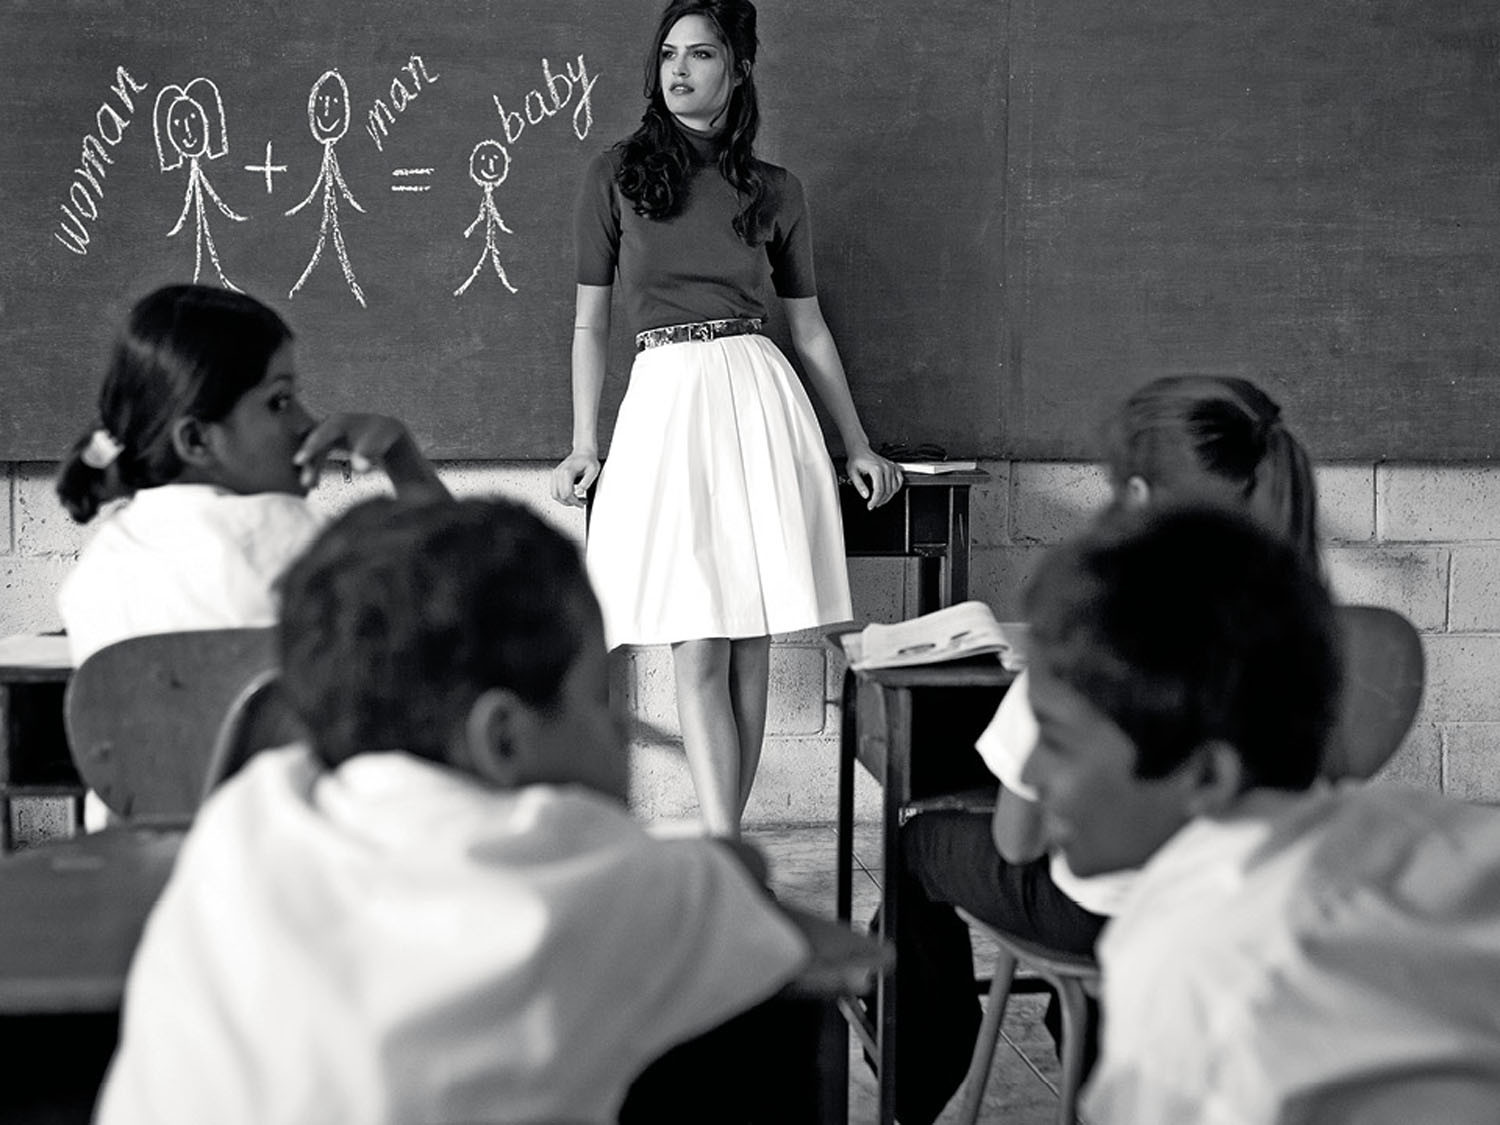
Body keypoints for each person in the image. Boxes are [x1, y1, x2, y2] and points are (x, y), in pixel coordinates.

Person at [94, 497, 860, 1125]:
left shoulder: (249, 813)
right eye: (601, 700)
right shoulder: (574, 872)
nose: (624, 730)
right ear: (503, 739)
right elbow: (738, 872)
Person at [888, 375, 1320, 1124]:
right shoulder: (1313, 626)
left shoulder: (1095, 624)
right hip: (1238, 911)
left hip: (1102, 909)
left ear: (1140, 497)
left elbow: (1016, 842)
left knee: (916, 844)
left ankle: (914, 1086)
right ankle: (1085, 1040)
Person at [1023, 503, 1500, 1124]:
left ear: (1207, 776)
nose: (1029, 773)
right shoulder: (1430, 832)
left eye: (1055, 740)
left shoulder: (1194, 972)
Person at [550, 0, 902, 838]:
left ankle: (722, 849)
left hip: (755, 398)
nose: (678, 69)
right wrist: (583, 442)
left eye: (701, 54)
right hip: (665, 405)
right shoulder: (615, 174)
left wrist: (856, 442)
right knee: (696, 636)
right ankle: (726, 856)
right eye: (669, 53)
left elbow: (808, 328)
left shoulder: (776, 190)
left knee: (750, 641)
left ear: (739, 69)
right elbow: (590, 324)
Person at [55, 283, 449, 665]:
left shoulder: (93, 578)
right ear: (196, 440)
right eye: (279, 402)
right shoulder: (296, 539)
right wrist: (401, 455)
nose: (307, 423)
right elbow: (461, 603)